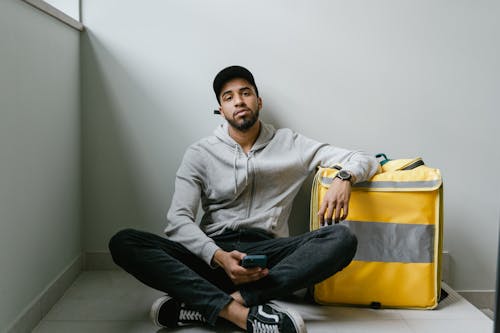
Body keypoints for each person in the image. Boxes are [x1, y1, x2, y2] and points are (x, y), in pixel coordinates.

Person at [109, 65, 379, 333]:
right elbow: (178, 220)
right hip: (212, 255)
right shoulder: (200, 153)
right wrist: (219, 257)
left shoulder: (290, 144)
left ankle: (212, 305)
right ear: (221, 110)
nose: (238, 100)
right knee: (125, 242)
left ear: (258, 101)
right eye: (228, 97)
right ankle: (240, 313)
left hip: (267, 257)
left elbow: (365, 158)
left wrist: (345, 177)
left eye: (245, 93)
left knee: (342, 238)